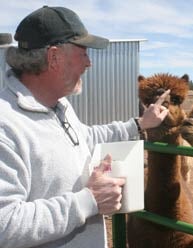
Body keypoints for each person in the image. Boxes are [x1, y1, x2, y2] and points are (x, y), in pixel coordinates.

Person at [0, 6, 169, 248]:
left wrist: (140, 124)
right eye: (84, 53)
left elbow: (85, 137)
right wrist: (88, 201)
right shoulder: (6, 125)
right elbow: (4, 225)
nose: (89, 63)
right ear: (54, 57)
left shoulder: (59, 106)